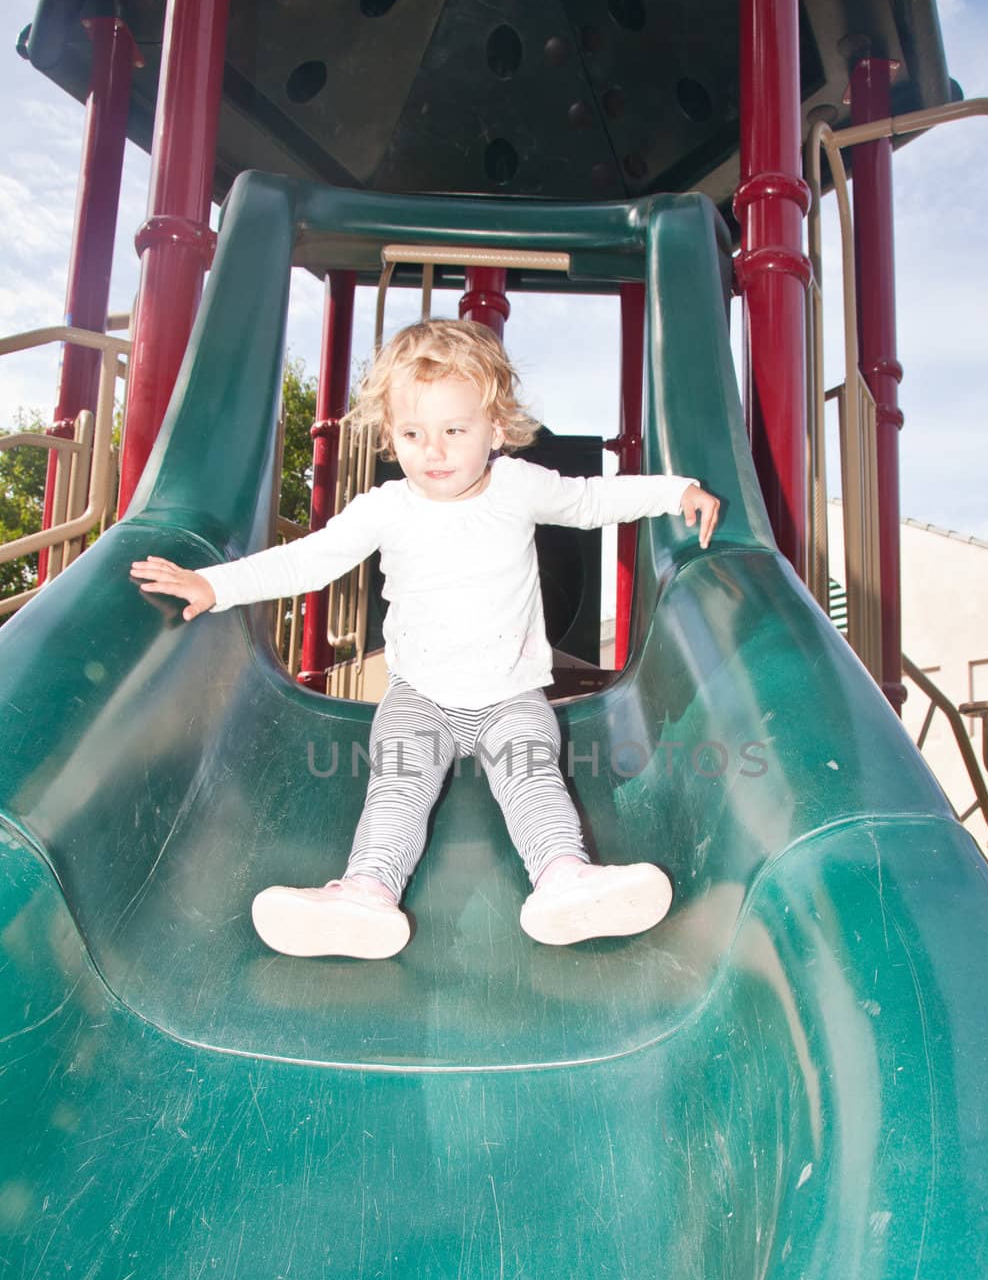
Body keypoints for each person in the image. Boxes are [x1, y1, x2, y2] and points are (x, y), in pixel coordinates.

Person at [130, 318, 719, 960]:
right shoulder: (388, 507)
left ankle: (563, 881)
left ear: (495, 430)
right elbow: (310, 559)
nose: (434, 452)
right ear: (390, 435)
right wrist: (215, 585)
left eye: (454, 432)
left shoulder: (518, 487)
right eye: (413, 434)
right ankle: (366, 894)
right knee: (397, 792)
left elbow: (591, 501)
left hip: (511, 697)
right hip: (420, 701)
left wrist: (673, 491)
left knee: (533, 783)